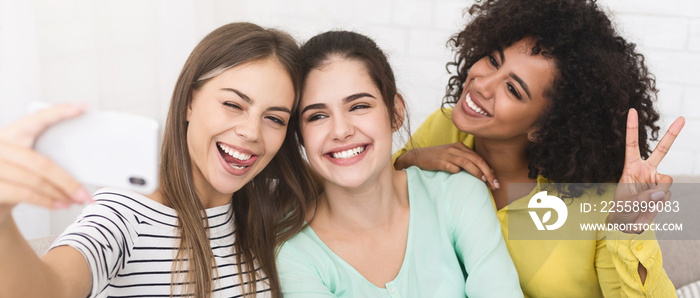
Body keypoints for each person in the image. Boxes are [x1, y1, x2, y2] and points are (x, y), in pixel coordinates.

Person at [0, 22, 317, 298]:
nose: (251, 132)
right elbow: (49, 289)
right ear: (188, 104)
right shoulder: (123, 216)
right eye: (233, 104)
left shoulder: (272, 209)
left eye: (274, 118)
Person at [392, 0, 685, 297]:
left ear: (544, 127)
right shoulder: (443, 128)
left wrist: (627, 229)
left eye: (513, 89)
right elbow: (366, 204)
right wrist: (408, 161)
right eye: (493, 61)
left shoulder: (597, 202)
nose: (482, 85)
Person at [276, 30, 522, 297]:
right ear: (299, 134)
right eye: (317, 116)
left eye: (359, 106)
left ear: (395, 112)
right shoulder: (293, 252)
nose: (341, 130)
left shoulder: (459, 193)